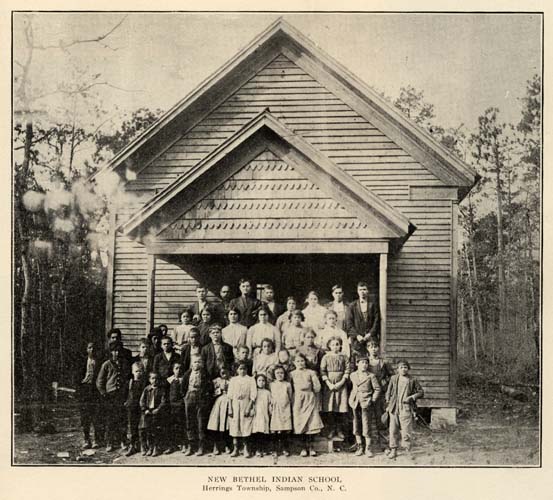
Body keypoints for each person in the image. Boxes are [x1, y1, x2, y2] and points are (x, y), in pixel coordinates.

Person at [385, 359, 424, 459]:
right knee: (393, 430)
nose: (403, 369)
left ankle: (408, 450)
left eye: (405, 367)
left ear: (408, 369)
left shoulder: (412, 380)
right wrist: (388, 403)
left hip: (406, 408)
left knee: (406, 431)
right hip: (394, 408)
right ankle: (393, 450)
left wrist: (412, 397)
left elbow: (421, 392)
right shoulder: (394, 378)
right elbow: (388, 392)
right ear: (397, 369)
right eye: (401, 367)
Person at [96, 340, 130, 452]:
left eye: (118, 351)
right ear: (111, 352)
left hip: (122, 394)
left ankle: (123, 440)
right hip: (110, 395)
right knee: (110, 419)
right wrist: (103, 393)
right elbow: (99, 381)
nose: (117, 353)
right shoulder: (106, 364)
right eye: (114, 351)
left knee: (122, 418)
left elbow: (128, 378)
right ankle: (109, 442)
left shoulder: (125, 363)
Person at [290, 353, 323, 457]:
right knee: (299, 422)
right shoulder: (292, 374)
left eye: (302, 361)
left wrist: (312, 390)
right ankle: (303, 448)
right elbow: (289, 388)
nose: (300, 363)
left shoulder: (310, 372)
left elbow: (317, 387)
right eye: (298, 361)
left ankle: (311, 447)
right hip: (297, 399)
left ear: (305, 362)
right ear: (294, 363)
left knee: (311, 423)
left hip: (309, 398)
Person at [349, 355, 381, 457]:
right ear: (357, 364)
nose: (364, 365)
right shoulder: (353, 375)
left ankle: (368, 448)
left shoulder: (371, 376)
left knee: (366, 425)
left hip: (366, 402)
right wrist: (351, 398)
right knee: (356, 425)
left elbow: (377, 389)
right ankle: (360, 447)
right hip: (355, 402)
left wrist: (372, 399)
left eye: (366, 363)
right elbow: (352, 387)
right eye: (362, 362)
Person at [320, 337, 350, 441]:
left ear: (340, 345)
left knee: (340, 408)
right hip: (329, 385)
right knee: (330, 408)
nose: (335, 346)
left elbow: (347, 370)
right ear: (329, 346)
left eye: (337, 344)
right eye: (333, 345)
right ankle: (332, 429)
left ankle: (339, 430)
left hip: (341, 385)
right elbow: (322, 371)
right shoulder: (326, 357)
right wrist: (329, 384)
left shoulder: (344, 357)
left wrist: (341, 382)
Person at [76, 341, 104, 449]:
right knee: (85, 417)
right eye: (90, 348)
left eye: (94, 348)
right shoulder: (82, 362)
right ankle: (86, 439)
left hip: (95, 390)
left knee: (96, 416)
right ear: (87, 349)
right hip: (84, 390)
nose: (92, 350)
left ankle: (97, 439)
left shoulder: (100, 362)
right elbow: (77, 377)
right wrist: (79, 389)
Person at [182, 357, 212, 456]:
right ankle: (191, 446)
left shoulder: (205, 374)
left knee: (200, 422)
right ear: (191, 363)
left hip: (201, 397)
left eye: (199, 362)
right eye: (195, 362)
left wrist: (205, 396)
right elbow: (183, 386)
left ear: (202, 363)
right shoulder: (187, 374)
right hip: (190, 397)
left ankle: (201, 446)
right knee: (189, 421)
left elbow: (209, 386)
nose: (197, 364)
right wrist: (185, 396)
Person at [228, 362, 257, 458]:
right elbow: (230, 395)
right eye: (240, 369)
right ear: (237, 370)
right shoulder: (233, 380)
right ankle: (235, 448)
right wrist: (230, 408)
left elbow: (253, 395)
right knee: (235, 426)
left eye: (244, 368)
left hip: (245, 404)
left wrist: (249, 407)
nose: (242, 371)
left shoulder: (251, 380)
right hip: (235, 405)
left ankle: (246, 449)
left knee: (246, 426)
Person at [344, 281, 380, 354]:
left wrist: (370, 334)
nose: (362, 292)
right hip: (357, 340)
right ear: (358, 291)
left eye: (364, 289)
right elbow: (349, 324)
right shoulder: (352, 306)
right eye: (360, 290)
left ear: (368, 291)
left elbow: (377, 321)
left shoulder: (373, 305)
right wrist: (357, 336)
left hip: (371, 339)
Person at [139, 371, 167, 457]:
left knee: (155, 430)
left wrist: (158, 409)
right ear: (149, 379)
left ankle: (156, 447)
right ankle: (150, 447)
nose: (154, 380)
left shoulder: (161, 390)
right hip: (148, 412)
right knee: (147, 430)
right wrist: (145, 409)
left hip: (156, 412)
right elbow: (142, 401)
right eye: (152, 378)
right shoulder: (146, 389)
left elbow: (163, 401)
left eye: (156, 379)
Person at [207, 366, 232, 455]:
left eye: (226, 372)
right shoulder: (216, 381)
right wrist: (219, 390)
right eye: (222, 372)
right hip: (219, 402)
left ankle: (227, 445)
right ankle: (216, 446)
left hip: (229, 402)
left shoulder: (232, 380)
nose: (224, 374)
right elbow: (212, 393)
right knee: (216, 424)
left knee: (227, 425)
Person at [269, 365, 293, 457]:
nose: (280, 375)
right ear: (274, 374)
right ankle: (274, 449)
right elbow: (270, 396)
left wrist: (287, 404)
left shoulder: (287, 384)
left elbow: (290, 396)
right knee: (275, 429)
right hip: (275, 409)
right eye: (277, 373)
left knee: (285, 429)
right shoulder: (271, 384)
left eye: (281, 373)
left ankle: (285, 449)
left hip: (285, 408)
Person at [124, 362, 146, 456]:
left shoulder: (144, 383)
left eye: (140, 371)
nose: (138, 373)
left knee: (142, 427)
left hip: (141, 407)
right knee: (132, 426)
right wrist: (126, 402)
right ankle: (132, 445)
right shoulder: (130, 382)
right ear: (133, 372)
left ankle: (142, 445)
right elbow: (125, 393)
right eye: (136, 371)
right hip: (132, 407)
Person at [167, 362, 187, 454]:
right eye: (176, 368)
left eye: (180, 368)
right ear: (173, 370)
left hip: (180, 405)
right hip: (171, 405)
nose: (178, 370)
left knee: (181, 424)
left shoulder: (183, 380)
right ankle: (172, 445)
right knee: (171, 425)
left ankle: (183, 444)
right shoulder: (169, 380)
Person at [251, 374, 272, 457]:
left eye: (263, 381)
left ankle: (264, 449)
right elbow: (252, 402)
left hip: (264, 413)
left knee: (264, 431)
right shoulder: (254, 392)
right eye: (259, 380)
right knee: (257, 431)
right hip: (256, 414)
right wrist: (252, 410)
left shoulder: (267, 392)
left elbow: (270, 403)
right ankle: (257, 450)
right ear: (256, 382)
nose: (261, 382)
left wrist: (270, 411)